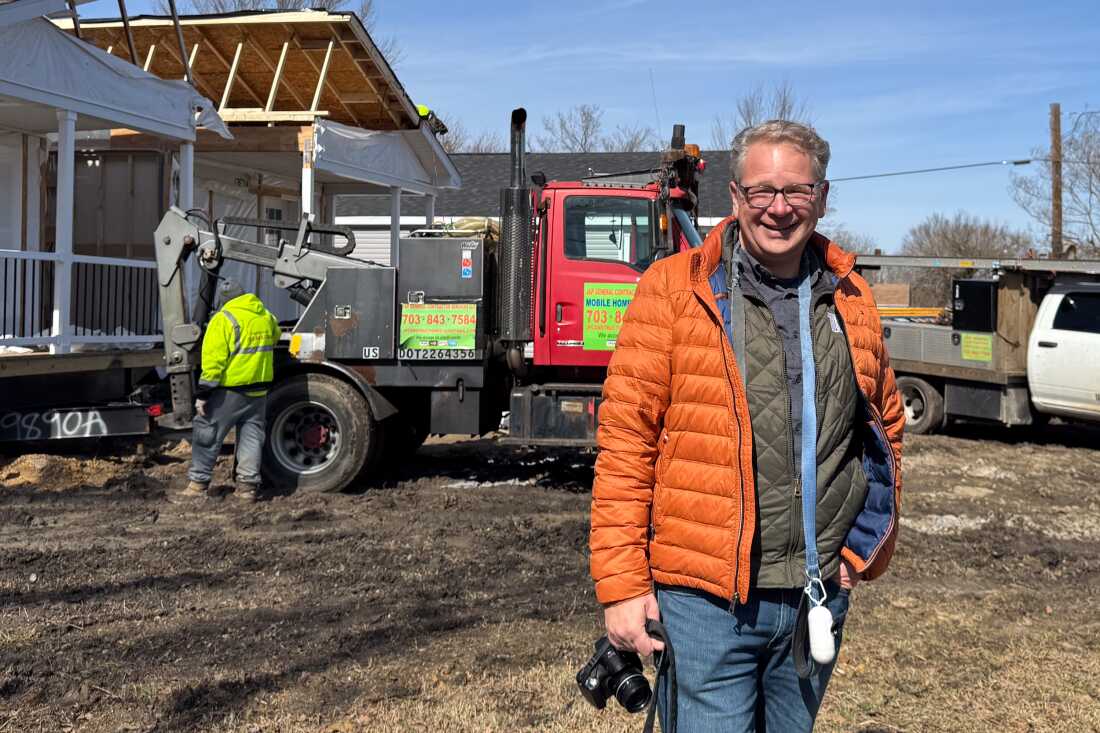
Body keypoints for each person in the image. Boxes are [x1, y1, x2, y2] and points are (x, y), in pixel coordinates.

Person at [590, 119, 904, 731]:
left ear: (823, 197)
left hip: (816, 594)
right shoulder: (675, 292)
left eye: (797, 191)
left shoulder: (852, 297)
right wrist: (623, 586)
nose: (779, 208)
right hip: (706, 604)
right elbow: (627, 445)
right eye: (762, 190)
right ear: (735, 198)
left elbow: (884, 428)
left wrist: (864, 548)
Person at [180, 279, 280, 502]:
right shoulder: (265, 316)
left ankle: (197, 485)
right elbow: (274, 338)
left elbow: (213, 361)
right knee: (252, 438)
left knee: (207, 432)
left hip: (230, 392)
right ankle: (247, 488)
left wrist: (203, 394)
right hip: (258, 391)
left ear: (224, 301)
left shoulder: (223, 320)